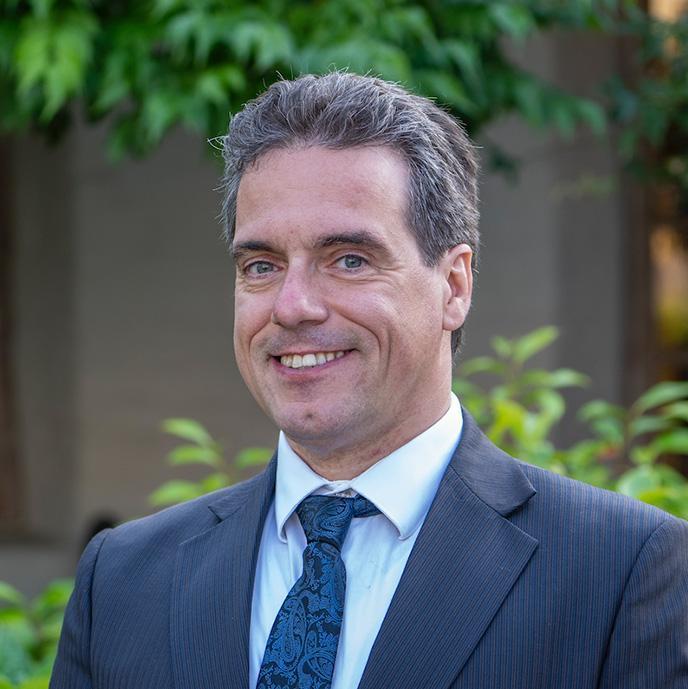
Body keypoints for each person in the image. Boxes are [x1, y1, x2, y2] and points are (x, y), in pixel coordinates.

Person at [50, 72, 688, 689]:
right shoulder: (123, 581)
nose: (293, 307)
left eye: (349, 260)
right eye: (262, 265)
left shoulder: (623, 573)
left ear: (454, 287)